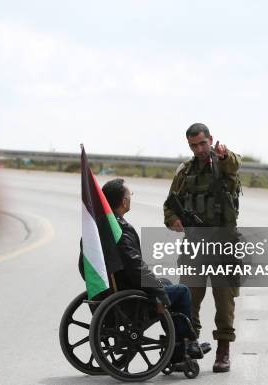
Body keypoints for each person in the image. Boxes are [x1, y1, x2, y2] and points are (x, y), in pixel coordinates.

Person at [80, 178, 209, 362]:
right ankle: (183, 347)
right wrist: (157, 294)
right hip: (128, 299)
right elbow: (136, 268)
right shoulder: (120, 230)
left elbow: (84, 267)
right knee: (182, 292)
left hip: (108, 293)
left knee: (164, 283)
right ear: (124, 202)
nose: (130, 198)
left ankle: (178, 343)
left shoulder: (96, 228)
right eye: (129, 195)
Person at [163, 123, 242, 373]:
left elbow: (234, 164)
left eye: (202, 143)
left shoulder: (224, 163)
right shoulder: (185, 172)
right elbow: (170, 204)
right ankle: (188, 347)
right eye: (193, 145)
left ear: (211, 140)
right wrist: (173, 220)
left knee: (224, 301)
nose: (199, 149)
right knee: (188, 298)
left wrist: (223, 154)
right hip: (195, 245)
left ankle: (223, 351)